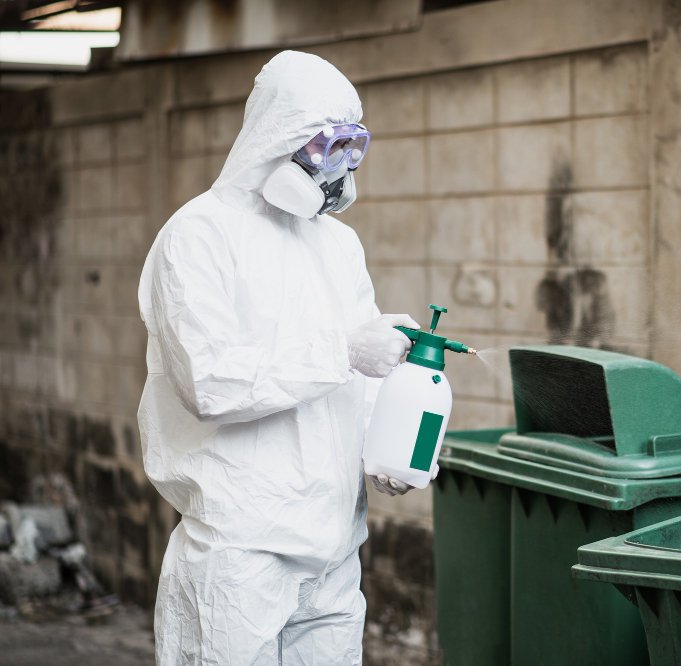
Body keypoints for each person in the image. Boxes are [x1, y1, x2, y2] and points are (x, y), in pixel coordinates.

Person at [137, 50, 415, 665]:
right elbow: (209, 383)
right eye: (326, 145)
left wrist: (383, 447)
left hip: (335, 545)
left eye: (351, 147)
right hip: (241, 549)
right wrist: (344, 351)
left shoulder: (338, 244)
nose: (338, 167)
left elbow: (361, 372)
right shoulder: (200, 235)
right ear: (277, 136)